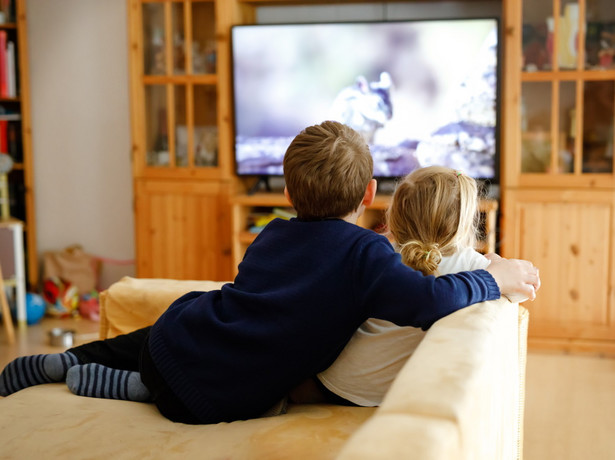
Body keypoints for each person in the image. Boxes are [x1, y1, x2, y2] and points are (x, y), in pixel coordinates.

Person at [0, 121, 540, 425]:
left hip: (177, 342)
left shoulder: (272, 233)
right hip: (212, 400)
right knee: (178, 373)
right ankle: (130, 389)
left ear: (286, 193)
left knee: (180, 319)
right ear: (371, 194)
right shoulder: (368, 258)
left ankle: (67, 360)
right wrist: (495, 278)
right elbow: (431, 300)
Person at [292, 165, 527, 408]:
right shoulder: (472, 265)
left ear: (397, 210)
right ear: (463, 221)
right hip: (384, 395)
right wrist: (497, 263)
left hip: (335, 382)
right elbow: (520, 291)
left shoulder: (377, 253)